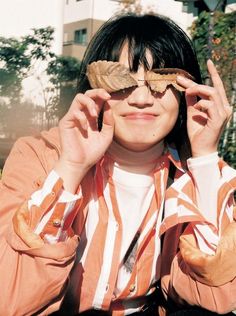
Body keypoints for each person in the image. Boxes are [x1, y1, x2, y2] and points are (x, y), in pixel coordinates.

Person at [0, 12, 235, 316]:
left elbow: (216, 299)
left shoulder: (191, 176)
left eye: (159, 82)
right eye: (121, 81)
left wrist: (204, 159)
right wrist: (70, 168)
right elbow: (9, 297)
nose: (140, 98)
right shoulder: (40, 156)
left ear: (186, 92)